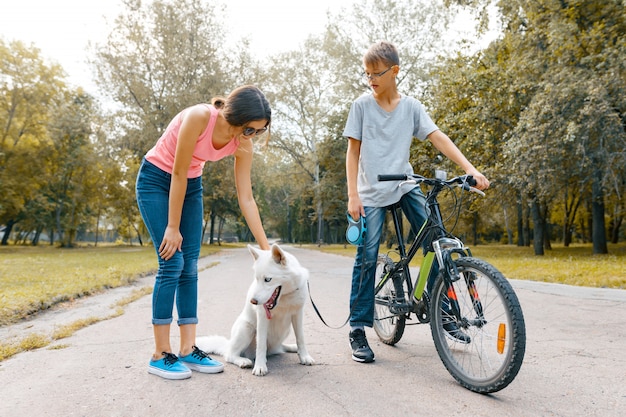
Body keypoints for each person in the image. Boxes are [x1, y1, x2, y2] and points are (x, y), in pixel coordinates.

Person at [343, 42, 490, 363]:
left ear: (394, 71)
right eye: (366, 74)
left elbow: (438, 136)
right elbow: (352, 151)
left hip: (406, 184)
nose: (371, 79)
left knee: (437, 240)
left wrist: (470, 169)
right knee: (367, 256)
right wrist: (353, 193)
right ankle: (358, 327)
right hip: (371, 192)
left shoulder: (411, 107)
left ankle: (446, 314)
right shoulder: (361, 107)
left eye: (376, 73)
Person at [135, 85, 272, 379]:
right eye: (251, 129)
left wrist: (266, 250)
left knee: (190, 267)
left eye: (258, 132)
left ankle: (187, 349)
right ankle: (160, 354)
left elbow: (246, 198)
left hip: (190, 184)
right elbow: (178, 172)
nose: (252, 137)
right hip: (157, 179)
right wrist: (172, 227)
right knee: (172, 262)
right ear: (237, 116)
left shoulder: (241, 143)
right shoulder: (200, 116)